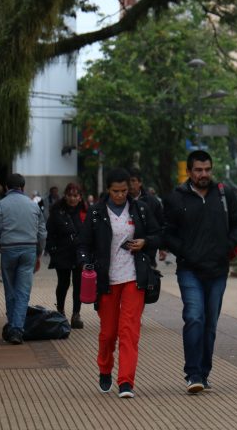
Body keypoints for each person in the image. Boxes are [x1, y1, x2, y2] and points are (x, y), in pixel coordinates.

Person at [163, 150, 237, 394]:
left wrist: (227, 245)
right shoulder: (176, 198)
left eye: (207, 169)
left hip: (218, 269)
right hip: (189, 269)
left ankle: (204, 372)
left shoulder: (224, 194)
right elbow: (167, 232)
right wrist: (185, 251)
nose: (204, 174)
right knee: (194, 317)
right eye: (199, 170)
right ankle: (193, 374)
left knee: (210, 323)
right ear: (189, 172)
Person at [77, 168, 161, 398]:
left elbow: (157, 234)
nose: (120, 195)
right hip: (106, 280)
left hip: (134, 277)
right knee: (108, 333)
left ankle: (126, 382)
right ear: (108, 190)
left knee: (129, 331)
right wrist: (86, 264)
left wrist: (145, 242)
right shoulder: (96, 212)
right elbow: (83, 245)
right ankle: (105, 369)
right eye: (116, 191)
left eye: (125, 190)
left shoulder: (140, 209)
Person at [0, 173, 47, 345]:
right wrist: (39, 253)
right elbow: (42, 233)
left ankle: (13, 326)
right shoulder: (33, 206)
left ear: (6, 187)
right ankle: (17, 329)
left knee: (10, 290)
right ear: (23, 187)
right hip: (29, 250)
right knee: (23, 291)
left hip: (8, 250)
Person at [46, 183, 87, 329]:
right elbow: (49, 233)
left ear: (80, 197)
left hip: (79, 254)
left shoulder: (85, 212)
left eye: (75, 195)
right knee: (63, 283)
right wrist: (53, 251)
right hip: (62, 254)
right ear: (65, 196)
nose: (72, 198)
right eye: (69, 195)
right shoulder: (57, 211)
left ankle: (76, 314)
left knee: (78, 285)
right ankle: (60, 312)